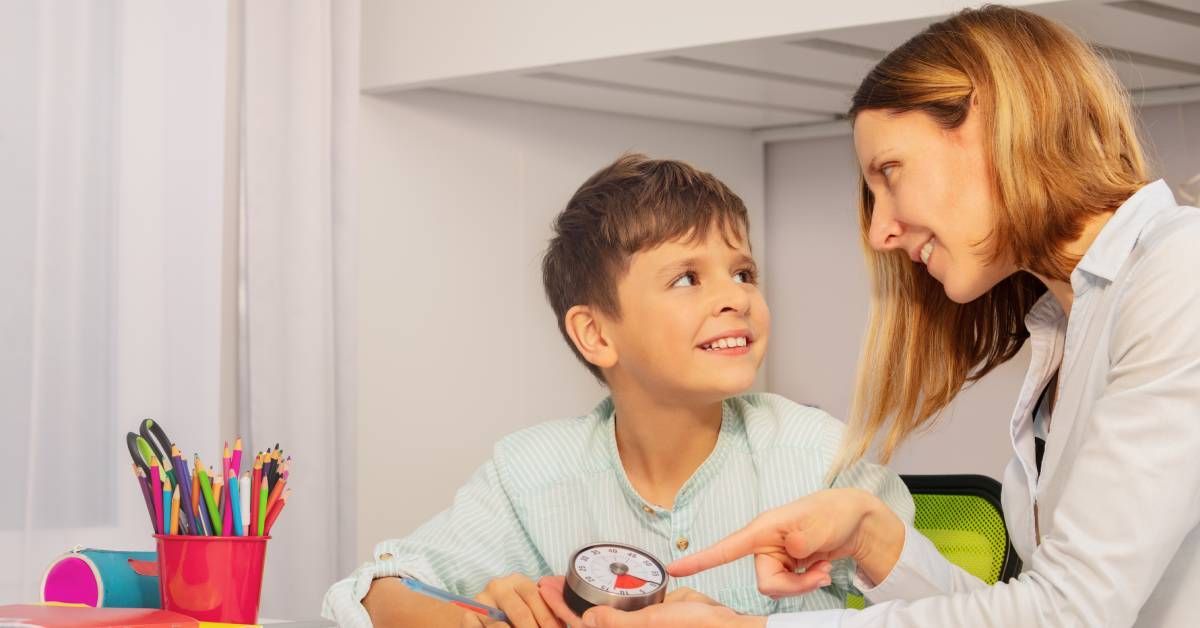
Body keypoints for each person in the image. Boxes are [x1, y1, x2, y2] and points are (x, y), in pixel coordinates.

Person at [540, 6, 1200, 627]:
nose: (881, 230)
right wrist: (873, 537)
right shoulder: (1064, 326)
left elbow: (1069, 614)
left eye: (890, 172)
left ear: (995, 123)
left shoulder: (1181, 272)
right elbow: (1024, 612)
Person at [321, 154, 913, 627]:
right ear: (596, 333)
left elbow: (936, 611)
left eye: (743, 272)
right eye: (687, 278)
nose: (736, 297)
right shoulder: (529, 474)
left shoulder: (823, 458)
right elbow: (369, 592)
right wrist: (468, 619)